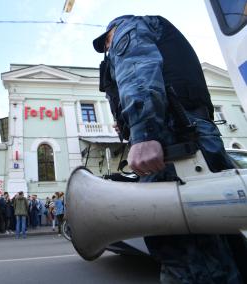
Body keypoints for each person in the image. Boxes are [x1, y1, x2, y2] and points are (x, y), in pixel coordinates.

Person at [93, 15, 245, 283]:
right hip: (192, 134)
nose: (108, 48)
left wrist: (143, 132)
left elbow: (138, 69)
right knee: (217, 244)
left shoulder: (128, 27)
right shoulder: (154, 29)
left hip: (172, 141)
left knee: (183, 253)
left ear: (111, 33)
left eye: (106, 42)